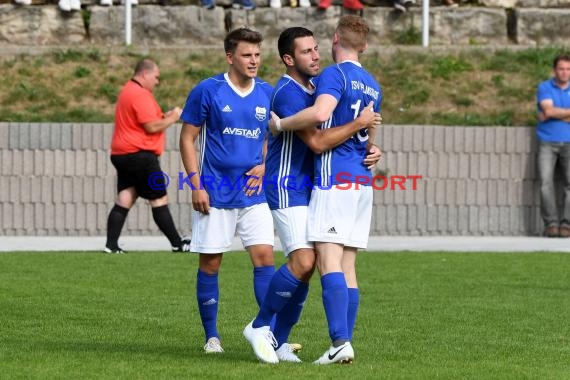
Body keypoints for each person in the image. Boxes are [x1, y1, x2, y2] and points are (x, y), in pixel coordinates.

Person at [243, 27, 382, 364]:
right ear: (289, 59)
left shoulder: (319, 88)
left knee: (311, 265)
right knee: (306, 261)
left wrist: (370, 145)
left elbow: (347, 126)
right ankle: (260, 326)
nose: (315, 55)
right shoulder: (290, 93)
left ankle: (280, 340)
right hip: (289, 185)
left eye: (316, 48)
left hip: (315, 185)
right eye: (305, 52)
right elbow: (319, 142)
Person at [179, 27, 276, 355]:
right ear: (230, 56)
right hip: (216, 194)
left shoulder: (267, 92)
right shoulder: (209, 90)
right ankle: (212, 337)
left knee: (265, 259)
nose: (254, 61)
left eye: (258, 55)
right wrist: (196, 185)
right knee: (211, 264)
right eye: (247, 55)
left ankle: (267, 333)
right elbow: (186, 139)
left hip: (254, 195)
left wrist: (264, 166)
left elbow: (271, 139)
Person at [105, 59, 190, 254]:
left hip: (122, 154)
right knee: (159, 198)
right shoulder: (140, 95)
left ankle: (111, 246)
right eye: (156, 77)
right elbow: (150, 127)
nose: (157, 82)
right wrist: (174, 117)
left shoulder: (128, 90)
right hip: (140, 156)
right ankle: (178, 244)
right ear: (145, 74)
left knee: (125, 197)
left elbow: (148, 120)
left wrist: (164, 116)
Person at [536, 54, 570, 238]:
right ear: (555, 70)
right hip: (547, 142)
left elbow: (549, 113)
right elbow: (547, 110)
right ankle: (551, 224)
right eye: (561, 69)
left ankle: (567, 224)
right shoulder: (545, 87)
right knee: (545, 183)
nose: (565, 72)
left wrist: (553, 114)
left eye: (568, 69)